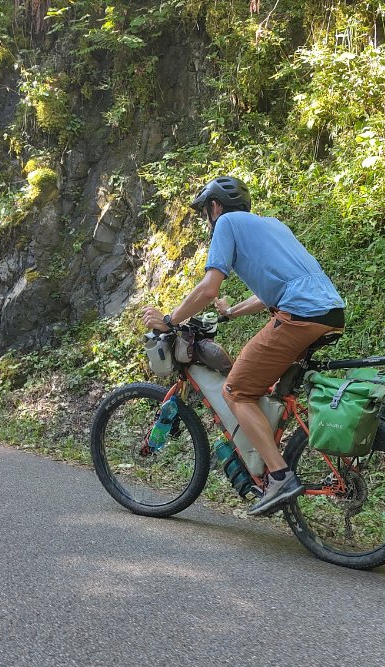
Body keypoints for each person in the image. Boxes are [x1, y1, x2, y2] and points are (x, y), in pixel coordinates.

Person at [141, 176, 346, 516]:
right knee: (265, 390)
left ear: (215, 207)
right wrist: (231, 312)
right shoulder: (273, 225)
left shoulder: (227, 224)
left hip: (299, 315)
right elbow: (271, 292)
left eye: (206, 212)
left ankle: (280, 477)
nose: (208, 219)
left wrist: (170, 319)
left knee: (236, 392)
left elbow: (209, 288)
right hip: (330, 314)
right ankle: (272, 456)